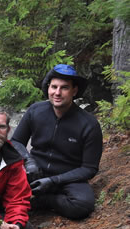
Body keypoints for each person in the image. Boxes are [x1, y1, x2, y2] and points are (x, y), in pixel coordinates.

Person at [11, 64, 103, 219]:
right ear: (48, 88)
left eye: (64, 88)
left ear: (74, 91)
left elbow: (89, 168)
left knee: (82, 204)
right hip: (35, 172)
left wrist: (54, 181)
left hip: (68, 177)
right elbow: (16, 141)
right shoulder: (35, 111)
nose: (57, 93)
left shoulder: (89, 124)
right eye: (54, 87)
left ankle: (43, 201)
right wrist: (28, 161)